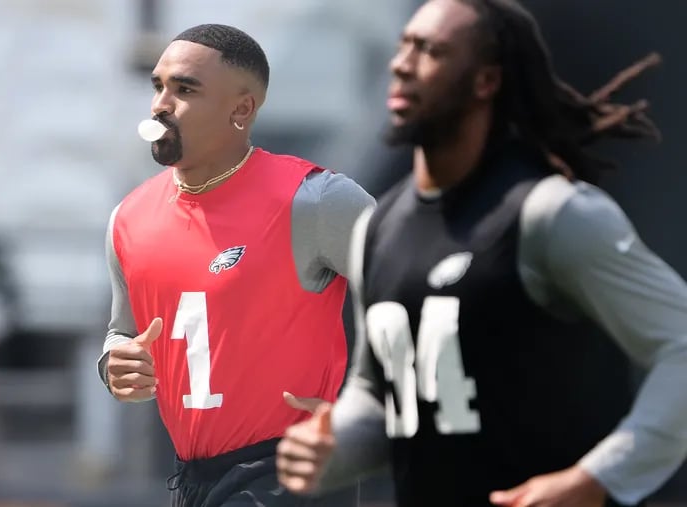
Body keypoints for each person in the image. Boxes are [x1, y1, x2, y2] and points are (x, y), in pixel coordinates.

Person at [275, 1, 687, 506]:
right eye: (405, 45)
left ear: (485, 81)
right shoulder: (377, 229)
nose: (402, 63)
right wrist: (333, 443)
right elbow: (386, 394)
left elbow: (681, 348)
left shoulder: (552, 215)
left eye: (432, 51)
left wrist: (595, 479)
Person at [96, 23, 373, 507]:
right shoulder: (129, 218)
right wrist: (115, 364)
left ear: (241, 109)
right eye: (158, 86)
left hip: (291, 468)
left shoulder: (314, 200)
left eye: (185, 89)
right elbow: (123, 331)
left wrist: (366, 406)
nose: (161, 104)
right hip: (191, 478)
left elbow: (416, 293)